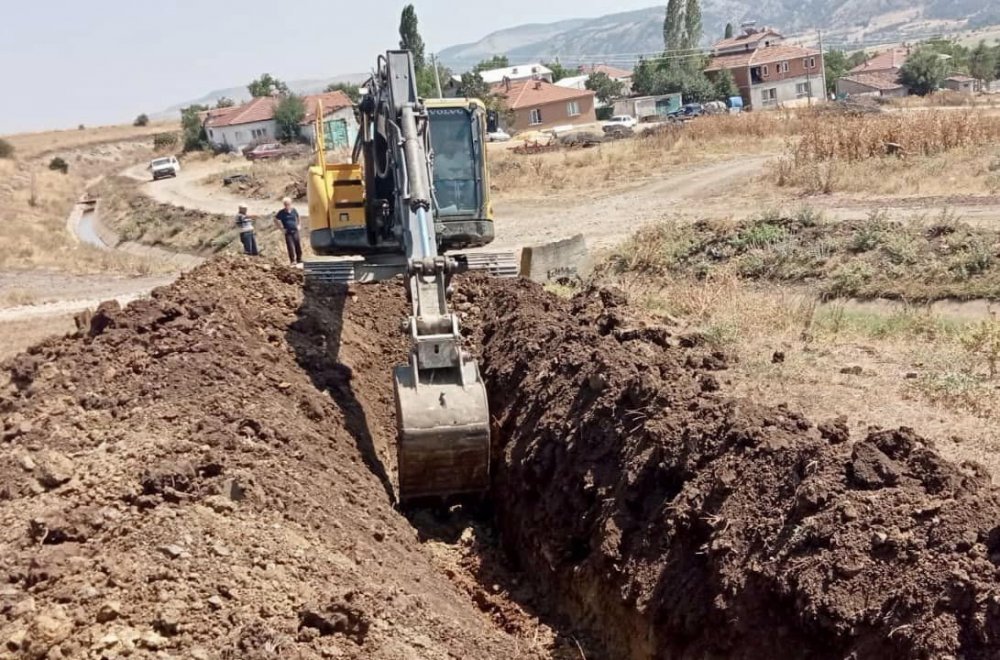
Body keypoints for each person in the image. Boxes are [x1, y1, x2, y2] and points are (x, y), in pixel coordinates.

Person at [274, 197, 302, 266]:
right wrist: (281, 229)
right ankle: (292, 260)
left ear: (290, 203)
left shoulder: (294, 210)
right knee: (290, 246)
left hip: (295, 230)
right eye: (285, 204)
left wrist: (299, 225)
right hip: (288, 232)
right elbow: (275, 219)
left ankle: (299, 259)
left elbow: (298, 217)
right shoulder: (282, 212)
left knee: (297, 245)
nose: (287, 205)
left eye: (288, 204)